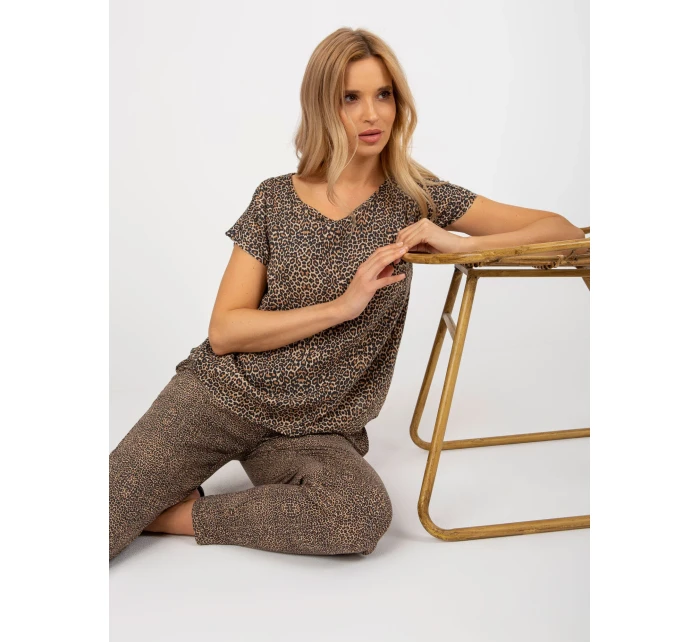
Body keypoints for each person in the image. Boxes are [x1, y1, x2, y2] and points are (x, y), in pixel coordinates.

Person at [109, 27, 585, 561]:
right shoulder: (274, 199)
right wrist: (343, 306)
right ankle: (142, 506)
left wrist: (459, 242)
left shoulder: (416, 197)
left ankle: (173, 517)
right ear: (322, 106)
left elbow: (561, 230)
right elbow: (225, 331)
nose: (372, 114)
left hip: (315, 429)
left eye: (383, 95)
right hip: (221, 398)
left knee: (357, 516)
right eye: (350, 98)